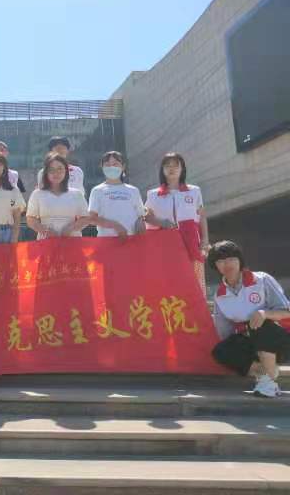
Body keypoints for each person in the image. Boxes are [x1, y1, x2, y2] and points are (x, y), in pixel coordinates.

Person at [209, 240, 290, 398]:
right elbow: (225, 332)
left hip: (279, 340)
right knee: (221, 351)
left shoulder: (262, 280)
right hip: (251, 343)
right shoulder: (220, 296)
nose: (227, 264)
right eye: (221, 261)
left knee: (260, 324)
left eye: (231, 259)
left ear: (240, 261)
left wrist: (264, 314)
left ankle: (269, 382)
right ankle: (266, 372)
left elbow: (287, 311)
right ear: (215, 266)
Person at [145, 152, 210, 294]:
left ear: (182, 169)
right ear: (162, 170)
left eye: (175, 165)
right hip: (164, 244)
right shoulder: (153, 194)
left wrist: (205, 241)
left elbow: (201, 216)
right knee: (169, 284)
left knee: (195, 284)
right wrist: (161, 222)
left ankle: (197, 307)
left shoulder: (194, 191)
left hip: (191, 243)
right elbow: (145, 217)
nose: (171, 168)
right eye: (167, 166)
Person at [26, 153, 89, 239]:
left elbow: (85, 218)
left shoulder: (77, 194)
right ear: (46, 173)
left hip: (72, 241)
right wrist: (44, 230)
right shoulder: (37, 194)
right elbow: (30, 219)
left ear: (66, 171)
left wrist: (71, 228)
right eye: (52, 170)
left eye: (60, 169)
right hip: (46, 242)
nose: (56, 173)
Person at [87, 151, 146, 239]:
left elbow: (141, 216)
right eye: (107, 164)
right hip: (107, 241)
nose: (111, 167)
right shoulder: (97, 190)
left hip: (132, 240)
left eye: (115, 164)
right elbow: (92, 219)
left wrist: (141, 224)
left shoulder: (133, 190)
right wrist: (115, 226)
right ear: (102, 167)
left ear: (123, 167)